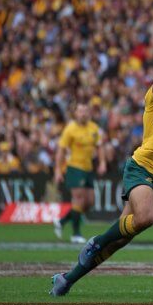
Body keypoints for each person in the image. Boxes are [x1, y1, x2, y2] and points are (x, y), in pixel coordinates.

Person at [50, 7, 153, 296]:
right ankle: (96, 241)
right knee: (145, 218)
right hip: (141, 168)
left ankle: (67, 279)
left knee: (119, 240)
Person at [53, 103, 107, 243]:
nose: (83, 113)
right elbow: (61, 151)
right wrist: (58, 170)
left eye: (85, 110)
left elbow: (100, 146)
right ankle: (76, 234)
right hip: (74, 167)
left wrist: (102, 162)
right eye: (80, 110)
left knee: (89, 202)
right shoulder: (70, 129)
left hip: (88, 169)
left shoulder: (94, 128)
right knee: (79, 199)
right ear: (75, 113)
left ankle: (62, 221)